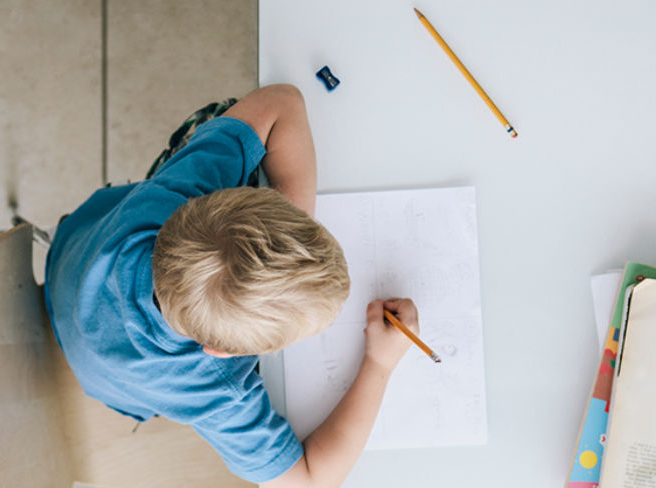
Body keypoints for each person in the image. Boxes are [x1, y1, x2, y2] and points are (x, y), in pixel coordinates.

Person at [44, 84, 421, 487]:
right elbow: (310, 482)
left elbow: (283, 101)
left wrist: (288, 223)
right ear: (220, 351)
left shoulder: (172, 203)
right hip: (108, 383)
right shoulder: (213, 390)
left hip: (70, 262)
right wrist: (378, 366)